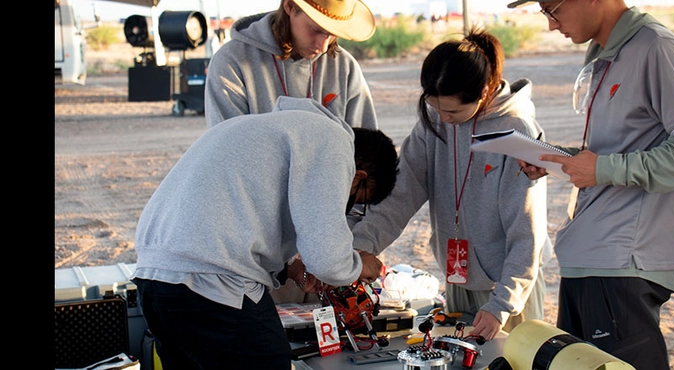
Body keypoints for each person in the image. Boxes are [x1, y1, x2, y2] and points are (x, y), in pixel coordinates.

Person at [507, 1, 674, 369]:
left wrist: (603, 169)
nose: (552, 26)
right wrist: (559, 158)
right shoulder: (605, 53)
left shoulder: (655, 47)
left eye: (552, 9)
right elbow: (615, 152)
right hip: (588, 258)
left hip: (622, 262)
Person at [131, 96, 399, 369]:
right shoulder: (333, 143)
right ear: (358, 176)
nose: (347, 206)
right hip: (213, 285)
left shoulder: (268, 128)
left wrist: (291, 268)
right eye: (357, 200)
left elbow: (236, 213)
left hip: (155, 280)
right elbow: (328, 260)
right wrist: (360, 264)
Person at [350, 28, 553, 342]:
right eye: (435, 108)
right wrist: (358, 248)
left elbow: (528, 231)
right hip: (459, 279)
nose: (443, 119)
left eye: (453, 111)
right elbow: (400, 195)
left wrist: (502, 303)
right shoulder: (433, 124)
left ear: (484, 91)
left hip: (508, 289)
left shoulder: (516, 131)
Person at [204, 0, 379, 130]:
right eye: (316, 30)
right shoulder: (231, 62)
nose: (323, 46)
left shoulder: (345, 67)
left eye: (332, 34)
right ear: (290, 6)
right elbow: (228, 149)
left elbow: (367, 151)